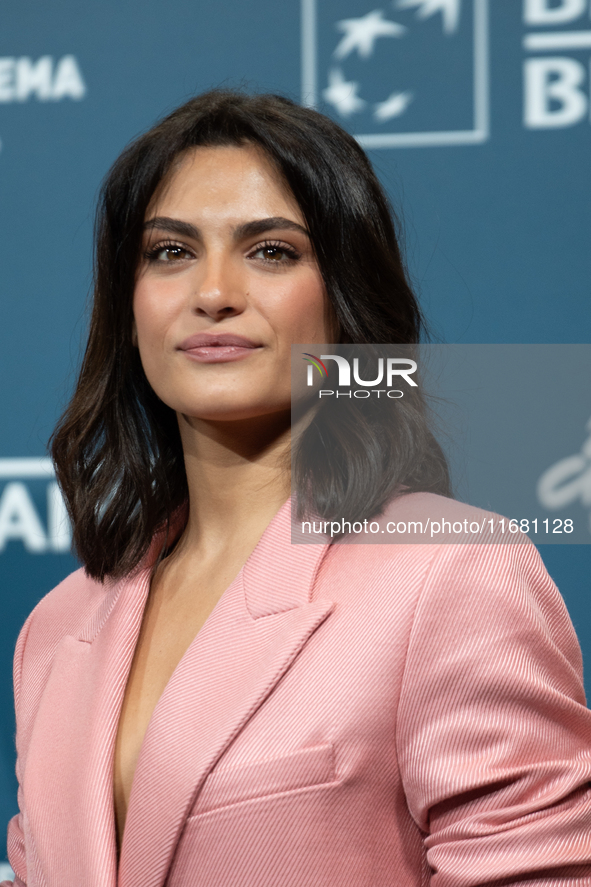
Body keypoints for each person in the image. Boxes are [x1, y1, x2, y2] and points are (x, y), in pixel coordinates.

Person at [3, 90, 591, 887]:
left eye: (270, 251)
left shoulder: (449, 571)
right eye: (170, 252)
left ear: (342, 296)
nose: (212, 291)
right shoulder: (56, 626)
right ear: (127, 301)